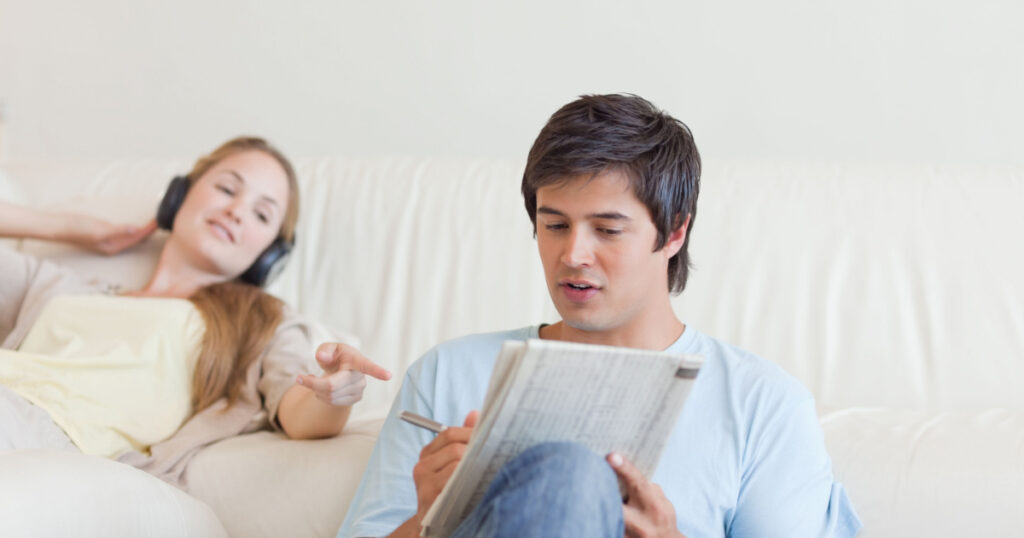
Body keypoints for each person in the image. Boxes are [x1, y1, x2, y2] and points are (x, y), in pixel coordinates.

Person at [338, 95, 861, 537]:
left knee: (572, 475)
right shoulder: (447, 373)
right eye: (556, 225)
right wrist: (427, 523)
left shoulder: (763, 405)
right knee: (568, 476)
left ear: (674, 233)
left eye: (607, 230)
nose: (573, 255)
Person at [0, 136, 390, 488]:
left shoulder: (258, 321)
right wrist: (68, 228)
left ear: (270, 255)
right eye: (226, 188)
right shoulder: (61, 288)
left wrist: (337, 393)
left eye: (262, 215)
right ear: (179, 197)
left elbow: (298, 410)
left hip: (49, 439)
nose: (237, 211)